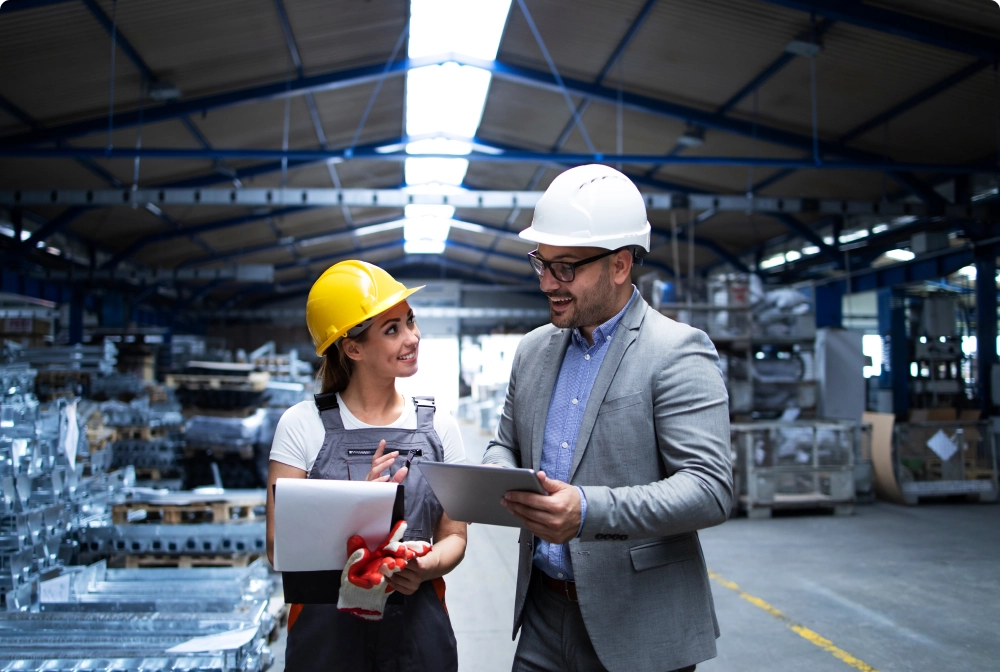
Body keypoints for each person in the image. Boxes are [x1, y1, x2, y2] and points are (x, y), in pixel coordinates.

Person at [483, 164, 733, 672]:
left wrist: (589, 512)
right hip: (542, 615)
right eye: (542, 264)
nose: (548, 283)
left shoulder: (676, 352)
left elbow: (709, 488)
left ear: (620, 265)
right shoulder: (533, 351)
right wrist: (496, 476)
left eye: (567, 268)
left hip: (638, 622)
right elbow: (505, 441)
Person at [266, 260, 467, 672]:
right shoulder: (301, 425)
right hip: (327, 638)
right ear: (352, 347)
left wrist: (425, 566)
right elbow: (276, 548)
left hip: (417, 632)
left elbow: (455, 536)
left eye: (410, 321)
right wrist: (360, 507)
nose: (412, 337)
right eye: (391, 329)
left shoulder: (438, 427)